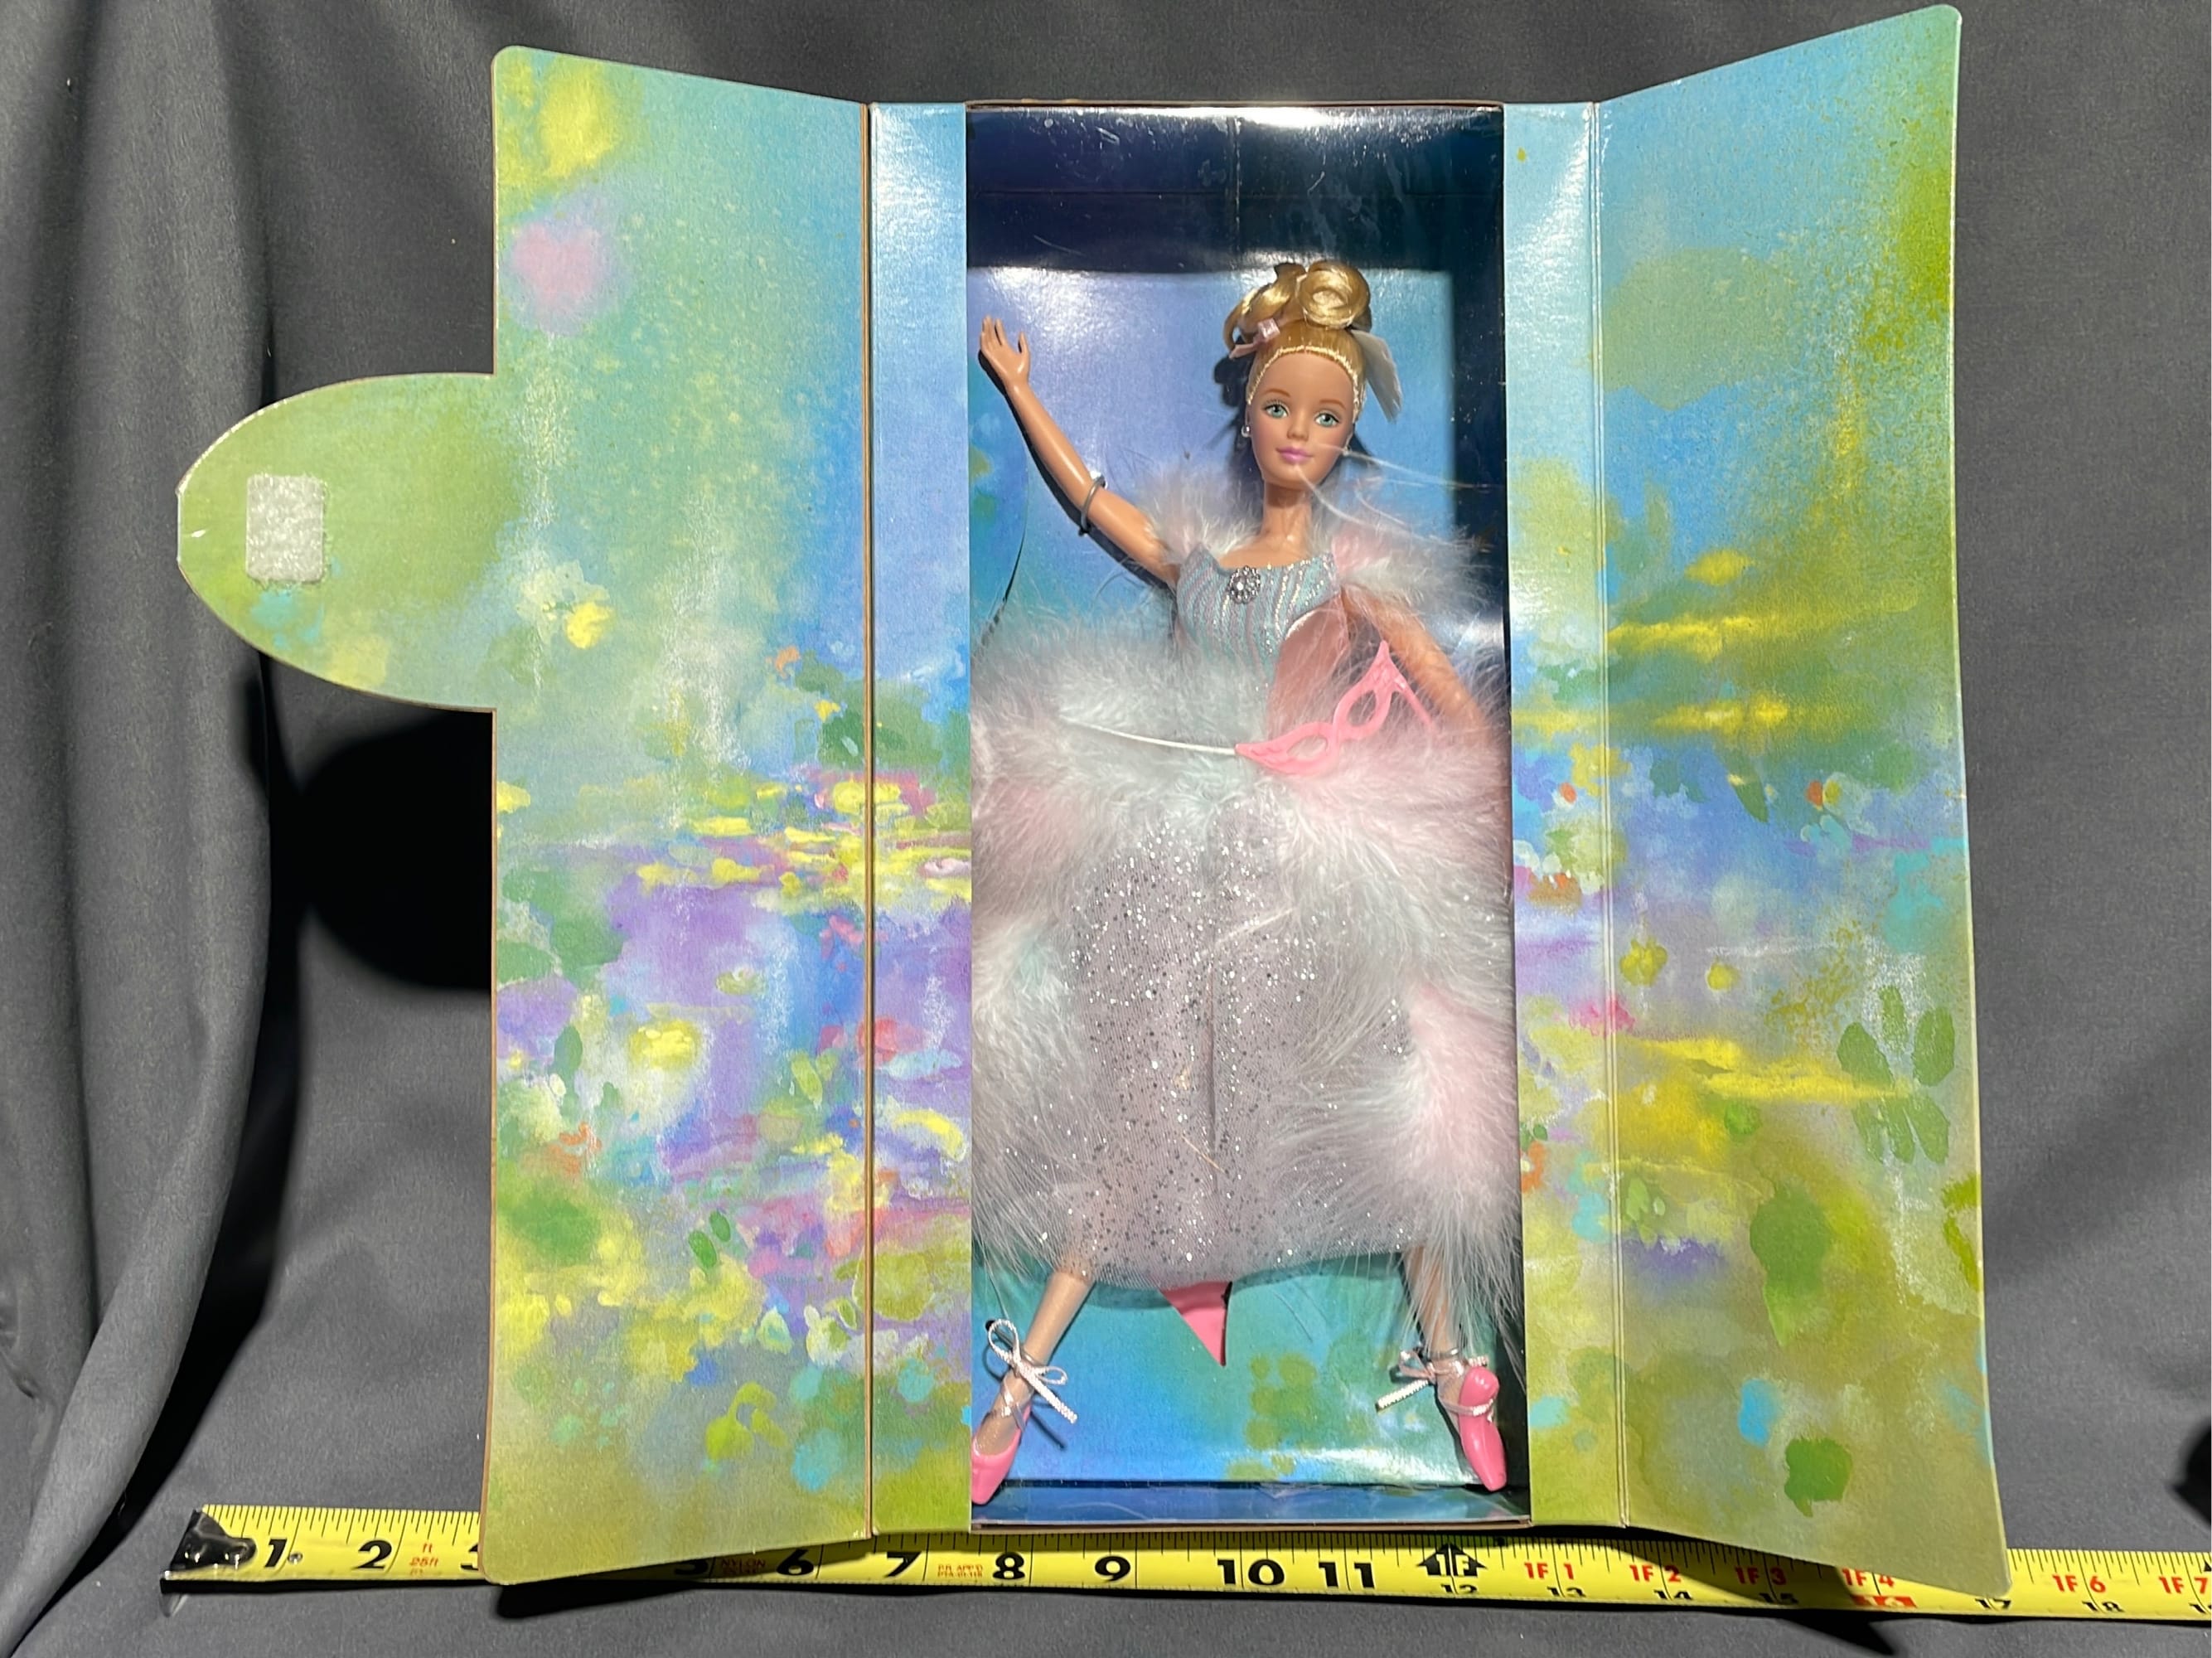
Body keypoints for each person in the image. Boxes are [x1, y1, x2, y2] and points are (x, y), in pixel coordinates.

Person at [966, 259, 1518, 1505]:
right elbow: (1101, 508)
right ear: (1251, 413)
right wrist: (1019, 389)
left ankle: (1457, 1365)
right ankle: (1017, 1388)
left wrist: (1436, 787)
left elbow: (1450, 705)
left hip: (1299, 863)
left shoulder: (1354, 581)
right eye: (1278, 408)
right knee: (1144, 1095)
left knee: (1378, 1082)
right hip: (1171, 856)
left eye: (1323, 417)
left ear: (1347, 431)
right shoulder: (1206, 556)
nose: (1297, 435)